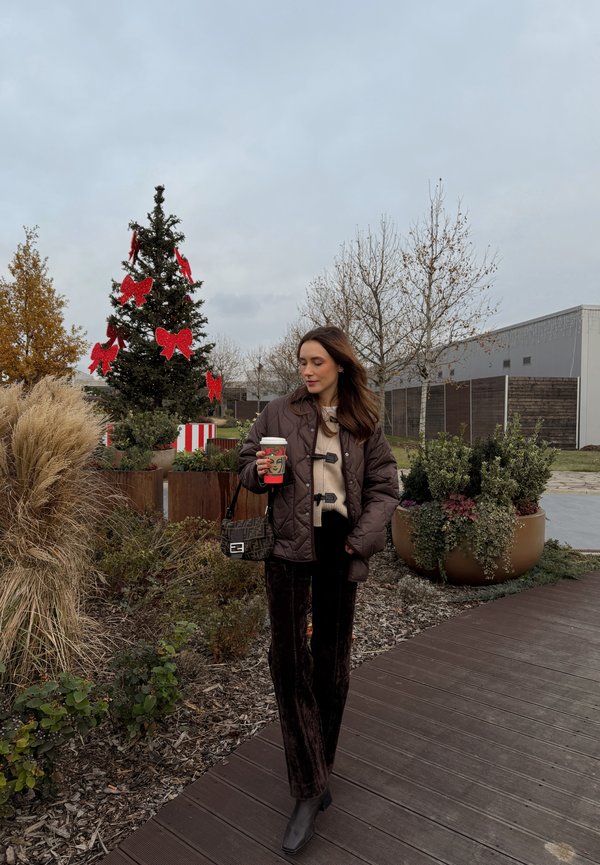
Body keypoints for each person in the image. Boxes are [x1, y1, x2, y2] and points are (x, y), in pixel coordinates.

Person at [238, 325, 399, 854]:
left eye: (316, 363)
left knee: (330, 663)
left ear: (340, 365)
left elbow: (384, 485)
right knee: (286, 660)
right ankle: (309, 787)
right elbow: (244, 465)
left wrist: (362, 541)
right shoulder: (278, 412)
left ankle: (317, 772)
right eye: (301, 362)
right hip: (287, 547)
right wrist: (259, 472)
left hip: (340, 546)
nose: (306, 372)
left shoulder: (362, 420)